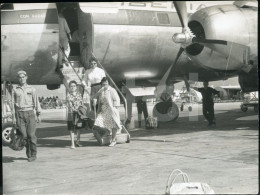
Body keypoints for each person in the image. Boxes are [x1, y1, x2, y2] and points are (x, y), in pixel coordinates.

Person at [11, 70, 41, 162]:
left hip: (30, 113)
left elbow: (36, 102)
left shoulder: (32, 89)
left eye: (23, 76)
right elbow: (12, 104)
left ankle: (33, 154)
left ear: (26, 77)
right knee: (24, 135)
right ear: (18, 79)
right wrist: (13, 117)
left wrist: (38, 114)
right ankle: (28, 153)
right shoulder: (15, 89)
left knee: (31, 135)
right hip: (19, 114)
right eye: (20, 77)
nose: (22, 78)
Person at [93, 77, 121, 147]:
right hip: (103, 110)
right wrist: (95, 99)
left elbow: (117, 99)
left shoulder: (112, 90)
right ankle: (107, 132)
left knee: (113, 124)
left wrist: (115, 108)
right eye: (103, 83)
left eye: (106, 82)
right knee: (98, 123)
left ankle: (113, 140)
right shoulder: (101, 90)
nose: (104, 84)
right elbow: (95, 97)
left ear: (108, 83)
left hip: (111, 109)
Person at [66, 80, 85, 148]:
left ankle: (78, 141)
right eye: (71, 86)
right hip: (71, 113)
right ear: (69, 87)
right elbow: (70, 105)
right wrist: (75, 110)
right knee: (72, 129)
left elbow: (81, 103)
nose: (73, 87)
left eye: (74, 86)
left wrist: (81, 110)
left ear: (76, 87)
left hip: (79, 113)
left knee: (78, 128)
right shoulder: (68, 95)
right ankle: (72, 143)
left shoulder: (79, 94)